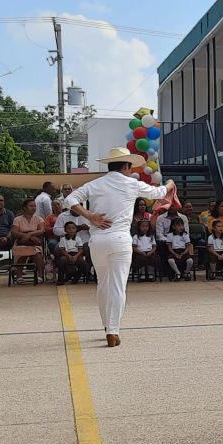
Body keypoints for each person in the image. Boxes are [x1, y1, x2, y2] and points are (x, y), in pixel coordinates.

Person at [62, 147, 176, 344]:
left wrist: (90, 216)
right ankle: (113, 330)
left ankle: (107, 326)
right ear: (125, 166)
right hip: (120, 240)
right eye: (129, 167)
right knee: (118, 286)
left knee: (103, 285)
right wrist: (170, 184)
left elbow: (69, 199)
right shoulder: (131, 184)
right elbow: (158, 192)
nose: (130, 171)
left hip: (97, 241)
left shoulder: (95, 184)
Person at [10, 198, 48, 280]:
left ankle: (40, 276)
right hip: (22, 243)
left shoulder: (39, 219)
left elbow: (41, 231)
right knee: (22, 253)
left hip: (34, 244)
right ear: (25, 208)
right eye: (31, 206)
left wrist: (30, 234)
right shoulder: (17, 219)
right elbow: (14, 232)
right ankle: (19, 276)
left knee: (38, 255)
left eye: (35, 206)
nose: (34, 208)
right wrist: (27, 235)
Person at [162, 215, 195, 280]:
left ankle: (187, 272)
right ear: (173, 227)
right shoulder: (170, 235)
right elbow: (169, 248)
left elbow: (188, 247)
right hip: (174, 251)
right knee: (170, 260)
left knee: (190, 260)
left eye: (182, 225)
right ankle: (177, 272)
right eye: (178, 225)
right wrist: (175, 254)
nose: (181, 227)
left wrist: (183, 253)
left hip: (184, 251)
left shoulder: (185, 235)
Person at [132, 218, 160, 282]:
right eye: (142, 226)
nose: (145, 228)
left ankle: (150, 273)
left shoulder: (151, 236)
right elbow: (134, 247)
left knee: (152, 259)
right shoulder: (136, 236)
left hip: (150, 252)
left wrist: (151, 252)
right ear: (139, 227)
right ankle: (142, 273)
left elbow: (154, 247)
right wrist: (141, 252)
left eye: (146, 226)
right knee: (142, 259)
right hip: (139, 253)